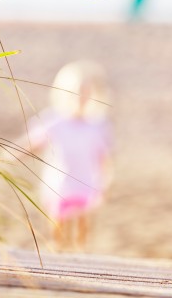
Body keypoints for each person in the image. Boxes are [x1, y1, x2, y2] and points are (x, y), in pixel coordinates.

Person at [27, 60, 112, 250]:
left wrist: (105, 181)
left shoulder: (97, 125)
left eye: (86, 93)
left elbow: (103, 156)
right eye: (77, 92)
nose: (81, 97)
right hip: (59, 183)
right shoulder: (55, 120)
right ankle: (57, 251)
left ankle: (81, 254)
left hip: (86, 181)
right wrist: (12, 154)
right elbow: (32, 141)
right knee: (58, 222)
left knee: (84, 223)